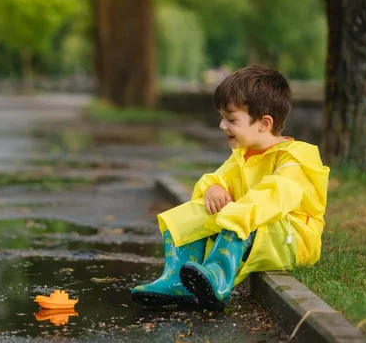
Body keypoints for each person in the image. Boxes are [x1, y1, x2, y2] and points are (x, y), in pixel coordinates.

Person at [131, 65, 330, 311]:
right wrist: (214, 187)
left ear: (264, 123)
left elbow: (275, 195)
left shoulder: (295, 158)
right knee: (194, 212)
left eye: (231, 119)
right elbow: (218, 178)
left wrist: (235, 213)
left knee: (239, 219)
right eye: (222, 118)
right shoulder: (242, 154)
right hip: (254, 225)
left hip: (293, 237)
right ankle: (176, 281)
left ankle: (217, 281)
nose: (222, 126)